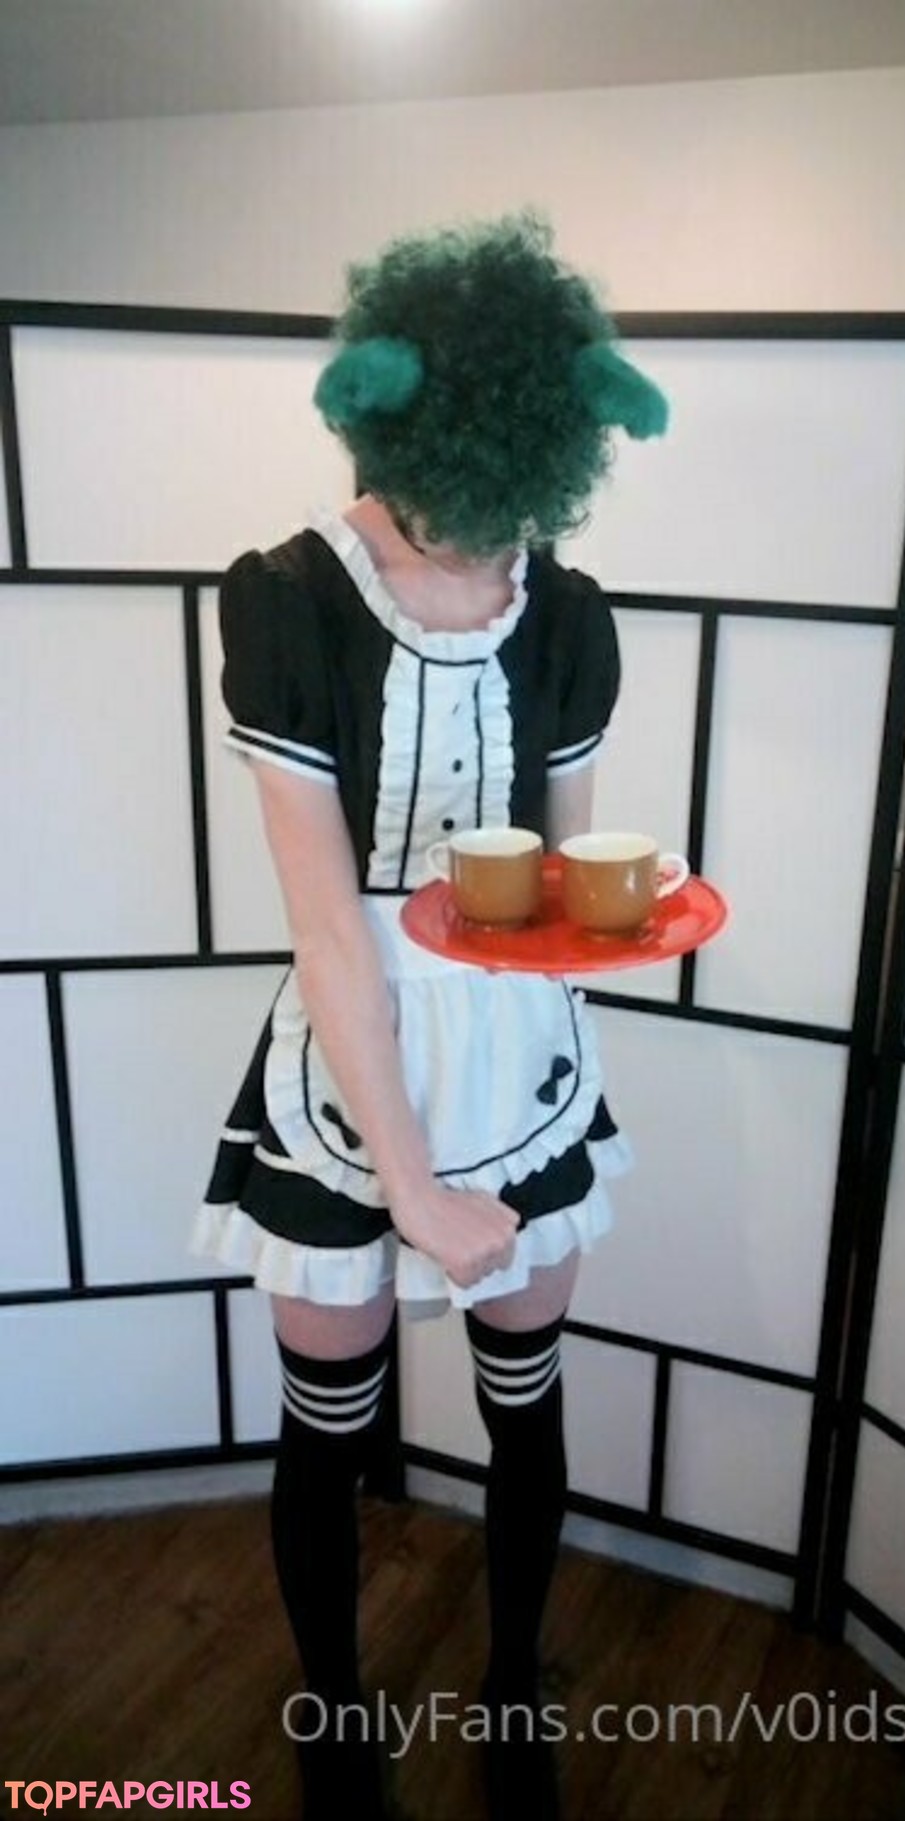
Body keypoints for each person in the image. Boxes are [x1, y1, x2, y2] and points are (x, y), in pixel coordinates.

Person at [190, 211, 668, 1821]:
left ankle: (515, 1686)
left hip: (518, 1063)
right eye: (458, 513)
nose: (486, 552)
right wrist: (408, 1182)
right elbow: (330, 927)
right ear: (397, 438)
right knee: (326, 1431)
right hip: (349, 1072)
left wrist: (624, 911)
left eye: (512, 515)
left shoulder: (571, 613)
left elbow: (553, 874)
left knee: (526, 1401)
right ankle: (332, 1715)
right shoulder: (286, 601)